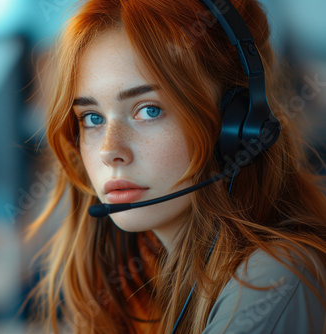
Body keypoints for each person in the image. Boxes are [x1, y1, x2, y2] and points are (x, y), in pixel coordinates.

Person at [24, 0, 326, 333]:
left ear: (236, 126)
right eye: (92, 118)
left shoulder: (273, 278)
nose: (110, 151)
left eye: (148, 110)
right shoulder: (147, 279)